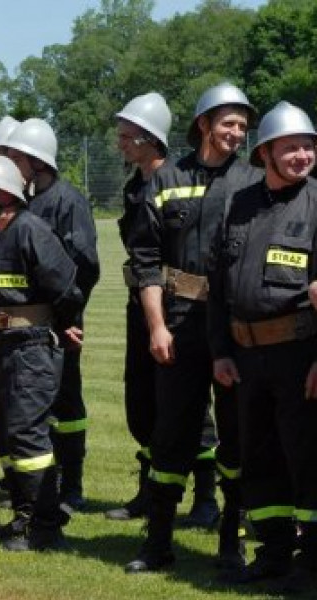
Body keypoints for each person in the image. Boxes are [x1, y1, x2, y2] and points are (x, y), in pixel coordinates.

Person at [125, 82, 259, 573]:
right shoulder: (166, 180)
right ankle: (157, 542)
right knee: (171, 433)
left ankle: (232, 539)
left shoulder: (253, 180)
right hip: (180, 323)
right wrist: (156, 327)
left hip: (236, 327)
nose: (237, 133)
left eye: (243, 125)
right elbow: (145, 262)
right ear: (203, 124)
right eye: (228, 122)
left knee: (237, 435)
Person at [209, 101, 317, 590]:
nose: (302, 155)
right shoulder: (241, 205)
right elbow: (219, 285)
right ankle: (272, 551)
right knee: (260, 456)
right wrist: (221, 351)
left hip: (300, 354)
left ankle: (311, 561)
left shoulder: (316, 203)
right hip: (247, 358)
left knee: (307, 457)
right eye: (290, 147)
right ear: (266, 153)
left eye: (308, 147)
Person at [107, 93, 221, 524]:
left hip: (176, 308)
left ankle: (206, 498)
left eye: (126, 137)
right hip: (140, 303)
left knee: (194, 405)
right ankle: (150, 490)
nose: (120, 144)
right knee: (144, 402)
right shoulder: (135, 187)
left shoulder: (179, 181)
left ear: (148, 138)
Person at [0, 156, 83, 552]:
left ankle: (46, 525)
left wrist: (64, 322)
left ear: (5, 195)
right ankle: (24, 516)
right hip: (5, 348)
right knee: (7, 434)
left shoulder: (30, 230)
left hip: (32, 349)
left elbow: (67, 287)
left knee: (28, 435)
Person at [3, 118, 99, 514]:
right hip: (33, 322)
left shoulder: (67, 201)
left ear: (35, 160)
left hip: (62, 322)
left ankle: (71, 483)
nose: (10, 163)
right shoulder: (27, 202)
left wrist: (69, 318)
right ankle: (46, 482)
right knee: (35, 405)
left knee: (66, 402)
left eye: (15, 156)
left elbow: (85, 266)